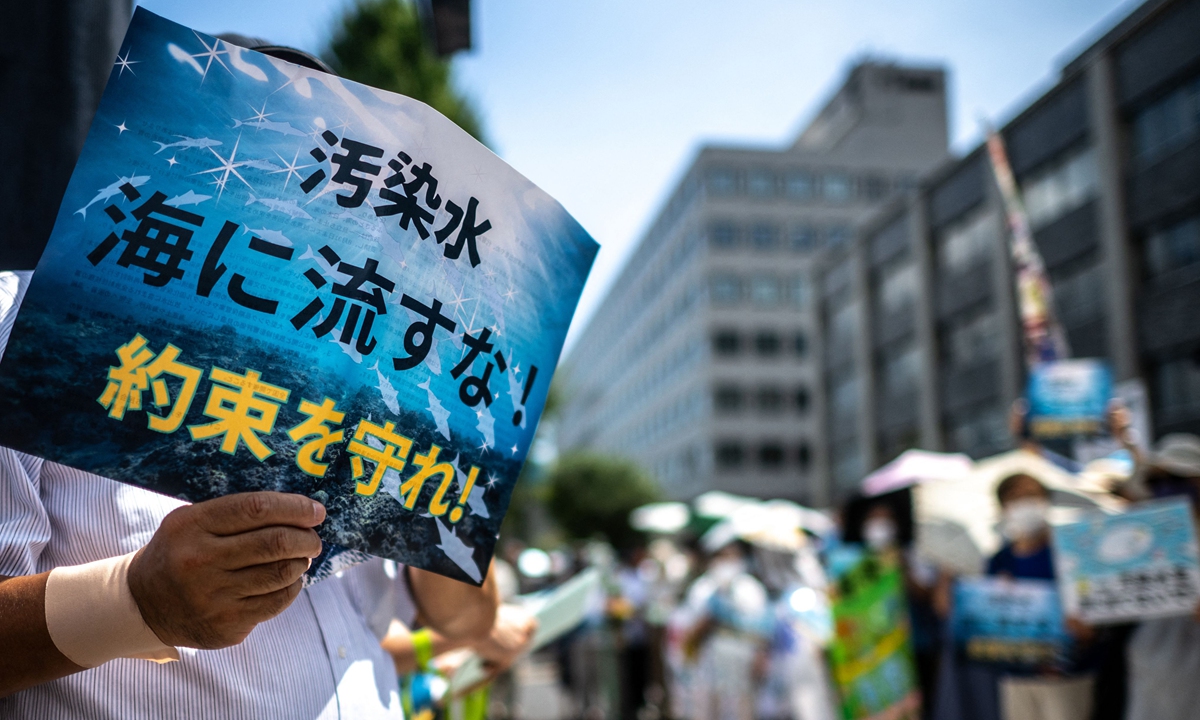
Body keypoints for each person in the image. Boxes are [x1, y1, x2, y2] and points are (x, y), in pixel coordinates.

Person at [0, 207, 498, 719]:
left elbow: (469, 622)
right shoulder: (25, 315)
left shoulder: (379, 391)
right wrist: (134, 600)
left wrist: (446, 501)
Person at [986, 473, 1093, 720]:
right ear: (1003, 507)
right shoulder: (999, 560)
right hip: (1016, 674)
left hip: (1067, 674)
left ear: (1046, 501)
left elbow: (1092, 608)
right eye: (1016, 497)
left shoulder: (1071, 552)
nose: (1025, 502)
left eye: (1032, 495)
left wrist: (1087, 630)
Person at [1124, 433, 1200, 720]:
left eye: (1176, 478)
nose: (1166, 489)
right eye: (1156, 482)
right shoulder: (1137, 544)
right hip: (1150, 673)